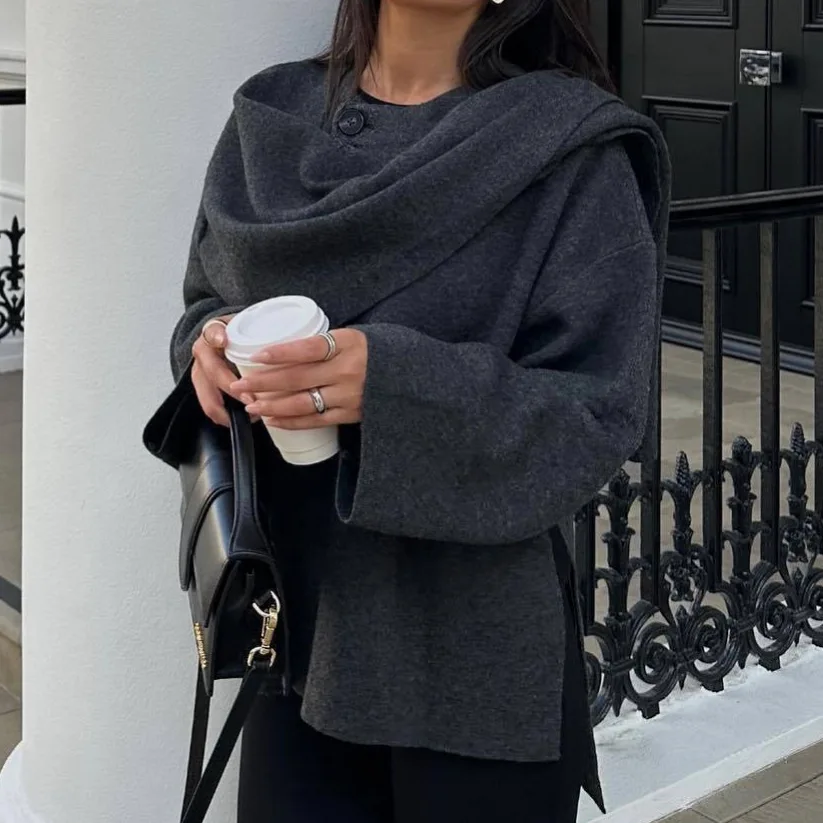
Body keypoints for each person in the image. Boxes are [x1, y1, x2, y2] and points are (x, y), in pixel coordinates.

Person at [169, 1, 670, 820]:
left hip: (473, 668)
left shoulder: (569, 150)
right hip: (292, 639)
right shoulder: (270, 118)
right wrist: (209, 344)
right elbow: (204, 298)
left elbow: (596, 414)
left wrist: (392, 385)